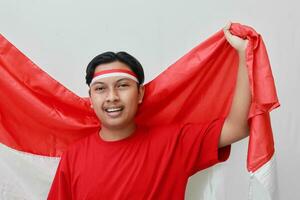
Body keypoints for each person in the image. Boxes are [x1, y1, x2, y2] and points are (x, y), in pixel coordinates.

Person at [47, 23, 251, 199]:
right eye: (101, 89)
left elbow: (237, 128)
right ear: (91, 98)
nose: (112, 97)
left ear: (140, 93)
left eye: (122, 85)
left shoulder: (173, 143)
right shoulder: (73, 156)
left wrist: (244, 54)